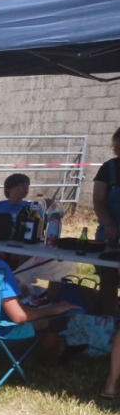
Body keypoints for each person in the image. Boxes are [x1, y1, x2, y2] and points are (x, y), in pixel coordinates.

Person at [92, 126, 120, 315]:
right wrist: (109, 223)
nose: (116, 151)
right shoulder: (108, 169)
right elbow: (98, 199)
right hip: (110, 237)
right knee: (108, 281)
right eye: (115, 148)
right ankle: (105, 325)